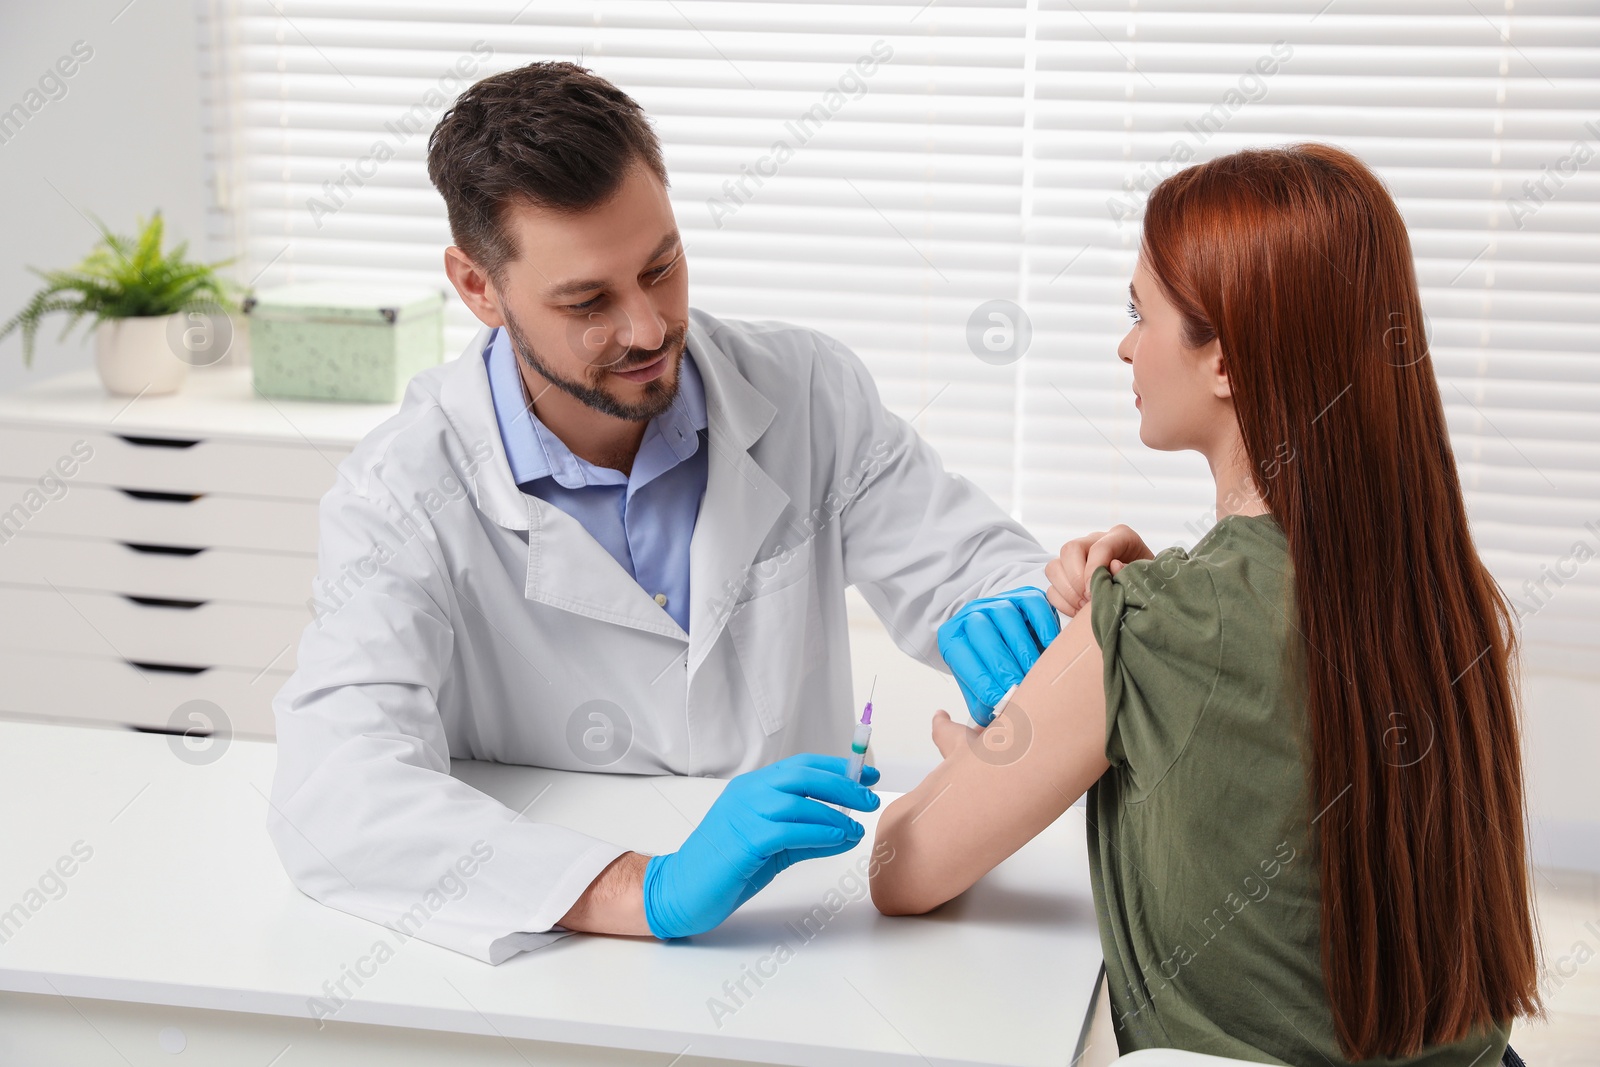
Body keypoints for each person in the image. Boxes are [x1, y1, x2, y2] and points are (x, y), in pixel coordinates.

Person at [265, 60, 1058, 964]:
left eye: (662, 266)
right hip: (558, 947)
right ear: (480, 288)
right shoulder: (403, 490)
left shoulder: (804, 392)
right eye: (587, 301)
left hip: (807, 932)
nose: (647, 328)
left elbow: (969, 563)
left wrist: (1008, 605)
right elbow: (334, 793)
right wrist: (647, 885)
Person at [868, 143, 1542, 1066]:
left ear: (1224, 359)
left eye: (1139, 312)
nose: (1125, 344)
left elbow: (899, 872)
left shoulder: (1154, 627)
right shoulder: (1443, 595)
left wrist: (973, 757)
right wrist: (1128, 638)